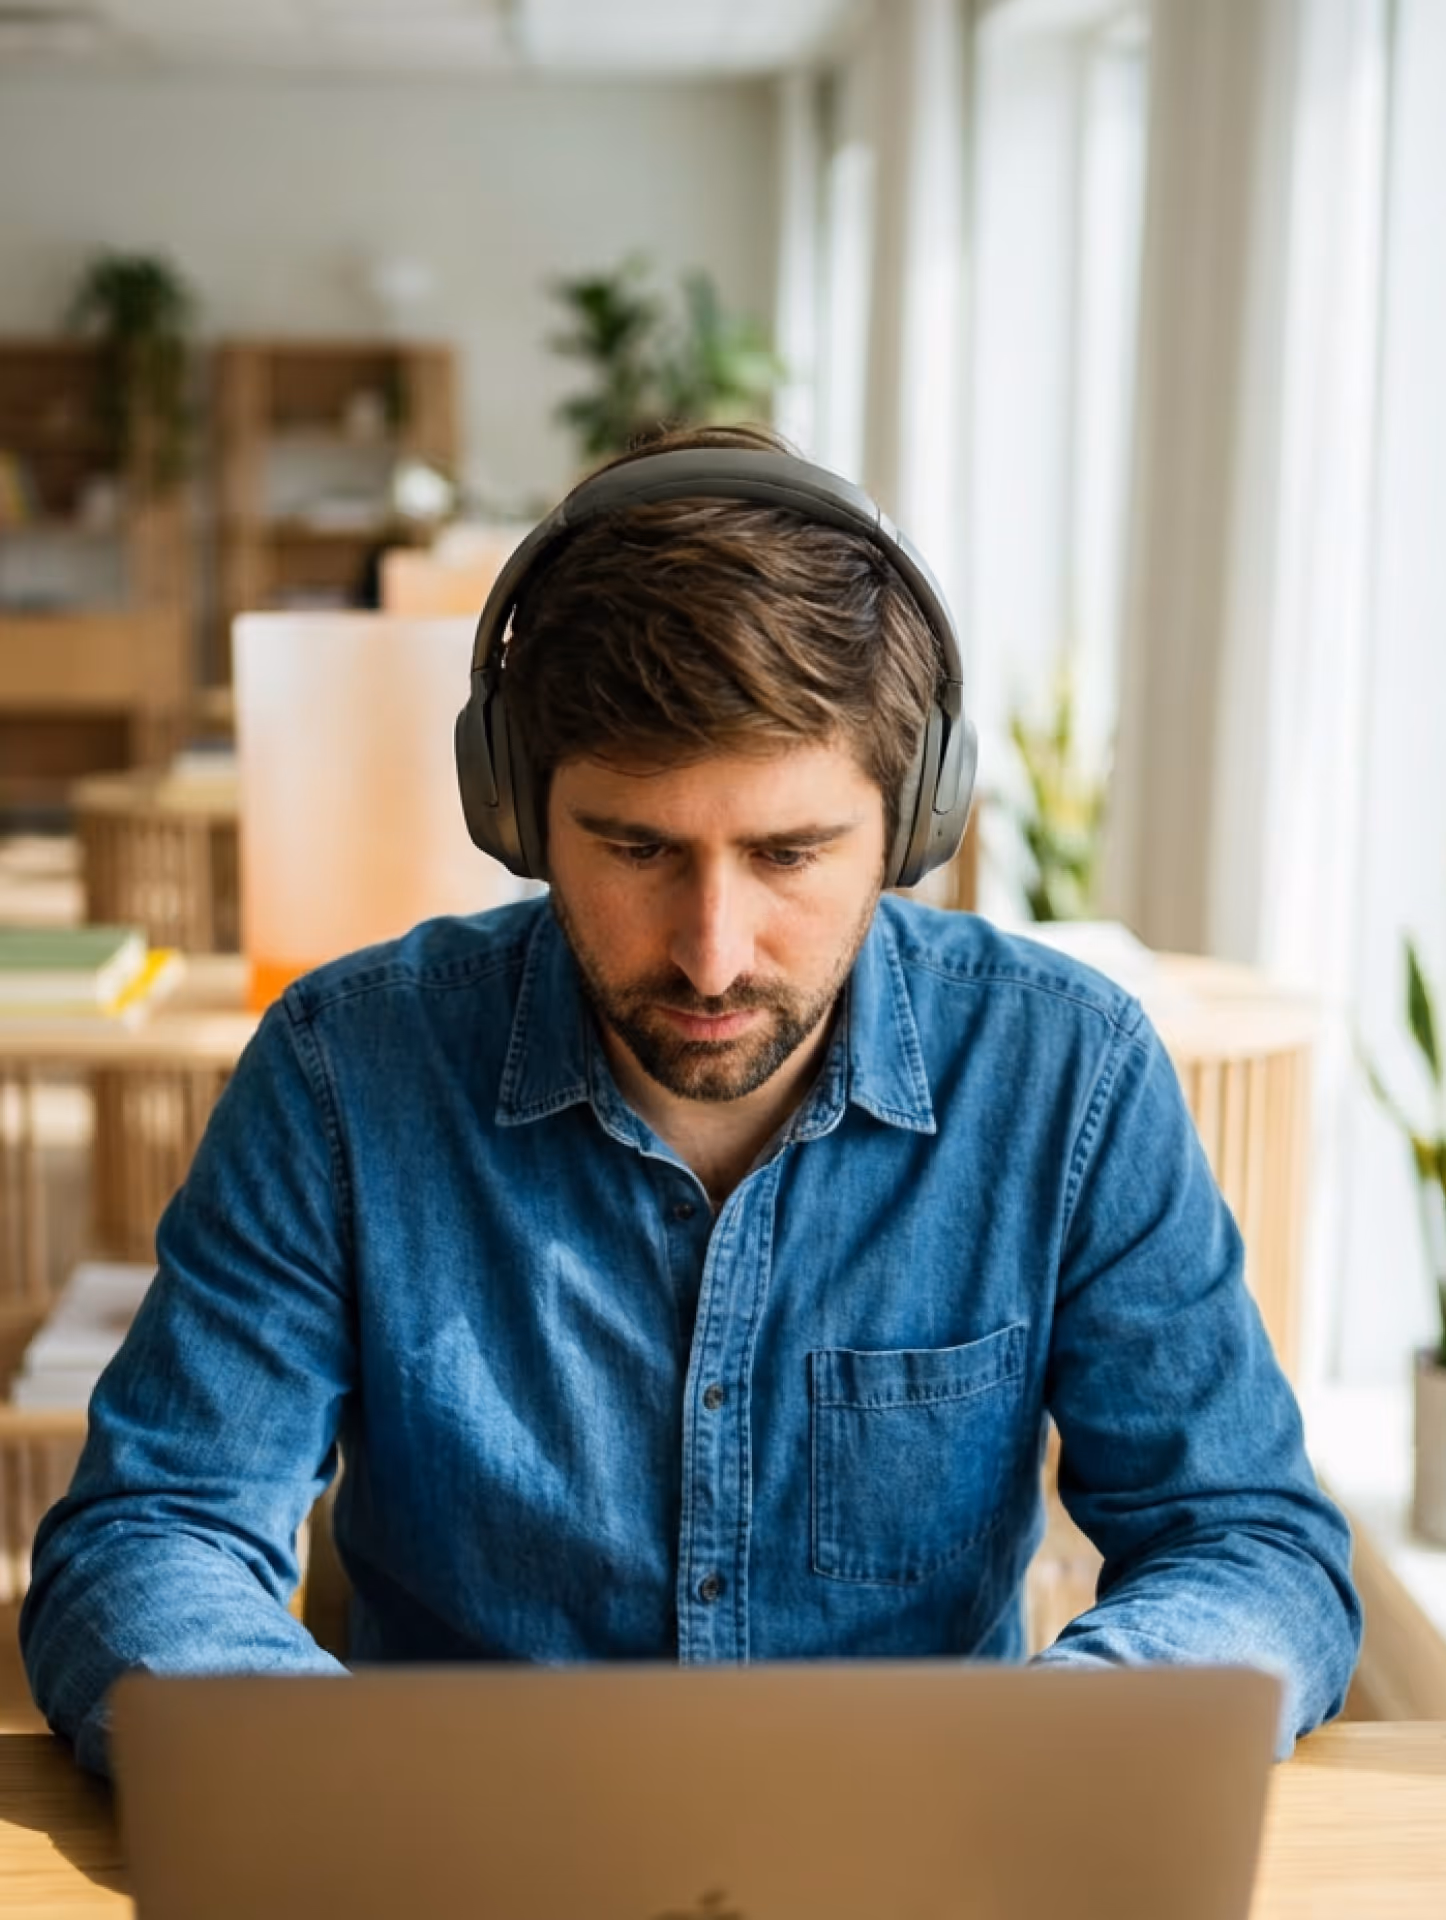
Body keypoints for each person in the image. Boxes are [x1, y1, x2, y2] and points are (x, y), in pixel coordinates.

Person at [21, 424, 1360, 1779]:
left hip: (920, 1861)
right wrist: (359, 1792)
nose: (711, 950)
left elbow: (1248, 1543)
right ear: (515, 811)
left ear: (912, 825)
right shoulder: (343, 1072)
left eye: (789, 853)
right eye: (635, 848)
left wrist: (1045, 1748)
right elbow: (151, 1538)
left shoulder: (1064, 1074)